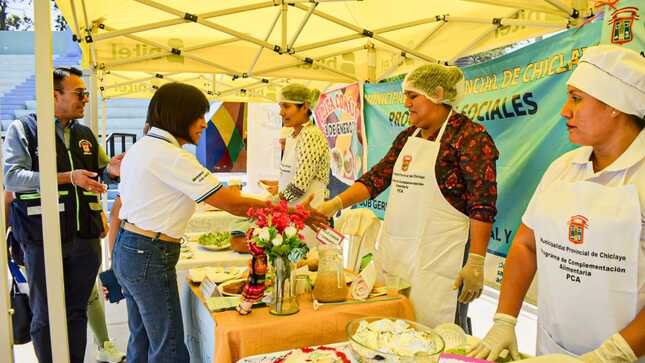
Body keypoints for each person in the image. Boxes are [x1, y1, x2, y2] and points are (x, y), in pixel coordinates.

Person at [113, 82, 326, 363]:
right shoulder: (171, 156)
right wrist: (294, 213)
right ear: (180, 116)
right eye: (199, 115)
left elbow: (118, 207)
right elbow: (232, 203)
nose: (204, 123)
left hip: (130, 249)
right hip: (149, 254)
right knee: (169, 350)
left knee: (141, 341)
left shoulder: (144, 148)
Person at [468, 45, 644, 362]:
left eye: (576, 98)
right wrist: (504, 320)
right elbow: (526, 244)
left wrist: (612, 354)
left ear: (615, 105)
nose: (565, 110)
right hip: (551, 349)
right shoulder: (562, 168)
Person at [318, 63, 499, 330]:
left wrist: (476, 260)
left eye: (413, 96)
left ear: (437, 94)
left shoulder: (470, 137)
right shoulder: (408, 137)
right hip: (399, 254)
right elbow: (378, 176)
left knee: (438, 331)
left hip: (441, 258)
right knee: (392, 326)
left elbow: (483, 204)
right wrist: (336, 203)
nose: (406, 104)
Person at [2, 67, 123, 363]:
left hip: (85, 238)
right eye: (79, 93)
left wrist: (113, 169)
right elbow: (13, 178)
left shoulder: (84, 133)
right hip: (41, 238)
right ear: (53, 96)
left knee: (76, 310)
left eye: (86, 93)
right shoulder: (24, 130)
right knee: (45, 313)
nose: (85, 99)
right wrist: (67, 177)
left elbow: (100, 170)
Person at [277, 83, 330, 247]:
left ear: (305, 107)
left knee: (304, 263)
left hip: (308, 216)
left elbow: (300, 184)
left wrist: (273, 203)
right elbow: (294, 173)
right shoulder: (294, 134)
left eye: (286, 106)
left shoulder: (311, 135)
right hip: (293, 213)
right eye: (280, 106)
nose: (281, 112)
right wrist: (277, 186)